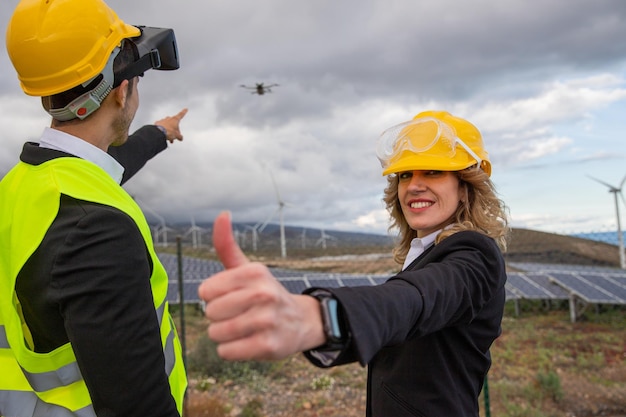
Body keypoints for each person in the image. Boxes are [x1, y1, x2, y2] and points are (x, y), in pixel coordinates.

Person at [199, 110, 510, 416]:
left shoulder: (476, 255)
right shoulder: (424, 255)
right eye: (404, 175)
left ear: (466, 186)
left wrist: (323, 318)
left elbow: (415, 299)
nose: (413, 185)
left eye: (432, 171)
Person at [0, 0, 188, 416]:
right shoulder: (96, 229)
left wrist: (160, 132)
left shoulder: (24, 185)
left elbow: (108, 168)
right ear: (123, 91)